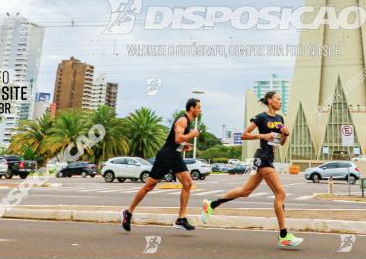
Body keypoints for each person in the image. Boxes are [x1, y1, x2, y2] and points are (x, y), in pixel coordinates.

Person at [200, 91, 303, 247]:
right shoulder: (261, 117)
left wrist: (285, 135)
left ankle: (211, 205)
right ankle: (284, 235)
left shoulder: (280, 119)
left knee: (245, 192)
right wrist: (262, 136)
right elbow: (244, 135)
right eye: (278, 99)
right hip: (262, 158)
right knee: (281, 193)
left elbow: (280, 144)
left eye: (281, 99)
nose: (280, 102)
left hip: (268, 158)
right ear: (270, 101)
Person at [122, 98, 202, 232]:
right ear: (191, 108)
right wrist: (191, 135)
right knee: (149, 186)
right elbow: (177, 138)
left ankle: (181, 219)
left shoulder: (189, 121)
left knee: (187, 184)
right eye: (198, 107)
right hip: (165, 156)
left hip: (175, 156)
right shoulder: (182, 120)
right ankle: (128, 212)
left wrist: (183, 146)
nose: (200, 110)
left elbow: (176, 142)